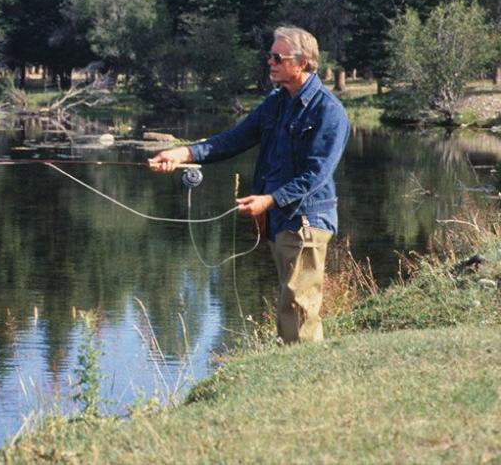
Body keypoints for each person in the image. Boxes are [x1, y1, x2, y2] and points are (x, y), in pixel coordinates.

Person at [149, 26, 350, 343]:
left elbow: (316, 175)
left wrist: (269, 200)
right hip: (281, 221)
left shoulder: (329, 112)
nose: (269, 62)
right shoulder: (277, 102)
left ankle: (308, 378)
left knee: (299, 304)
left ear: (302, 63)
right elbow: (233, 140)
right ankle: (294, 374)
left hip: (307, 222)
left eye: (277, 57)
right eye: (270, 56)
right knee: (288, 302)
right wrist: (184, 153)